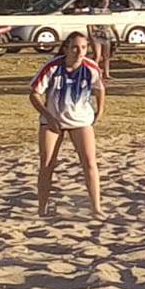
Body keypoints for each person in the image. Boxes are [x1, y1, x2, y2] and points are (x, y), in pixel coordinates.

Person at [29, 31, 105, 218]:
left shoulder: (90, 67)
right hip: (52, 120)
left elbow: (100, 88)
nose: (80, 52)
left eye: (84, 48)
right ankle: (42, 208)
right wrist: (48, 116)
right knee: (47, 164)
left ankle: (96, 208)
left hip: (80, 120)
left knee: (89, 163)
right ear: (66, 48)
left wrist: (100, 110)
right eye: (75, 48)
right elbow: (34, 94)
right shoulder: (53, 67)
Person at [86, 1, 114, 81]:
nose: (106, 3)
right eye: (104, 1)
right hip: (96, 35)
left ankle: (106, 73)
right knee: (97, 55)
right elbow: (89, 24)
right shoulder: (94, 11)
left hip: (106, 35)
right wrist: (90, 35)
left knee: (106, 56)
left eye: (107, 2)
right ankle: (93, 73)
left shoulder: (108, 12)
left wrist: (116, 36)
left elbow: (112, 24)